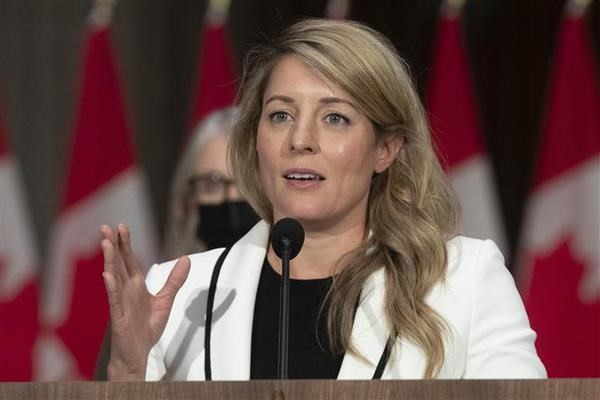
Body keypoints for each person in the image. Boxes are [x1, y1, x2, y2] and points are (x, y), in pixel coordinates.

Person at [100, 18, 546, 380]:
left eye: (335, 117)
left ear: (385, 149)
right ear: (256, 140)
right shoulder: (180, 293)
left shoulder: (464, 281)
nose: (300, 139)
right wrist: (127, 369)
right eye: (280, 115)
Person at [163, 106, 259, 260]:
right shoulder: (166, 281)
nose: (233, 198)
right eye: (212, 184)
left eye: (246, 181)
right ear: (189, 201)